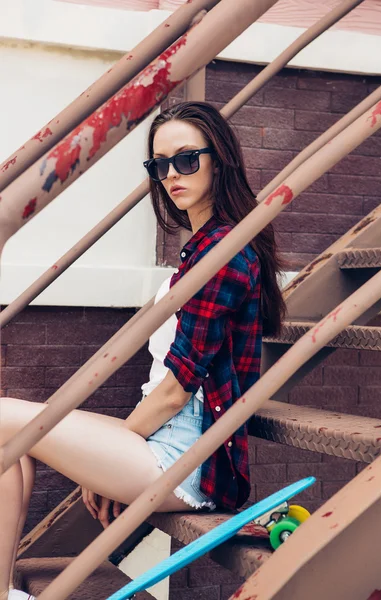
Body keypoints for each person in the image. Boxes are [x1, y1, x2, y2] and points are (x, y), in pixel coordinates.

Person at [0, 101, 285, 600]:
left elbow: (176, 391)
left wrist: (108, 470)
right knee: (10, 441)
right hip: (168, 439)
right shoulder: (205, 245)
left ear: (220, 160)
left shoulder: (225, 252)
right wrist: (107, 461)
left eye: (187, 159)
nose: (171, 174)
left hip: (186, 461)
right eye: (159, 165)